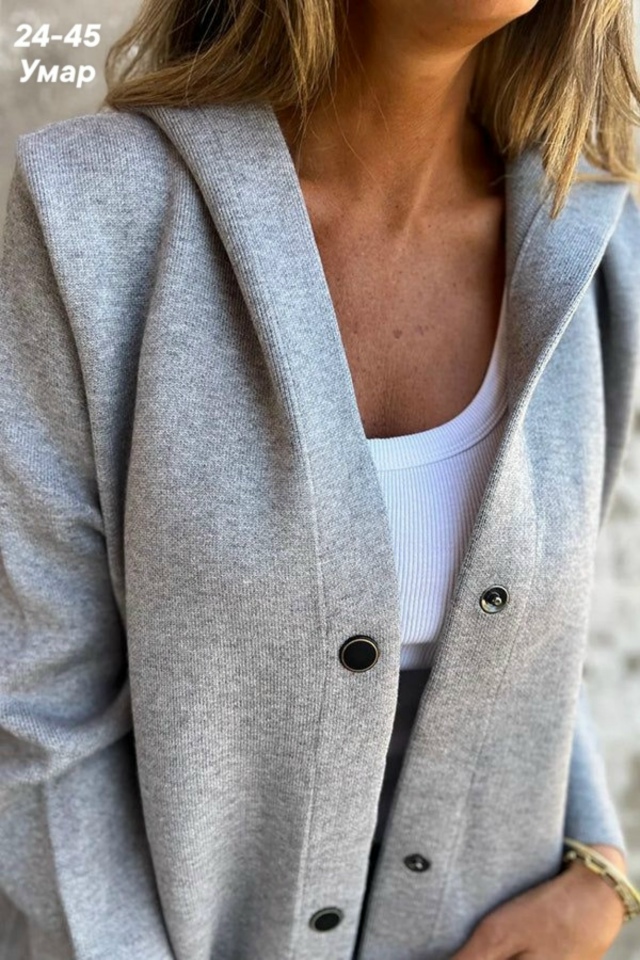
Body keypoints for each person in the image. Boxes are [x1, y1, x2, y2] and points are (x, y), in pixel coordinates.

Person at [1, 0, 640, 958]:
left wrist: (601, 867)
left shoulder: (593, 240)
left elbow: (519, 640)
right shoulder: (93, 212)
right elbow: (31, 709)